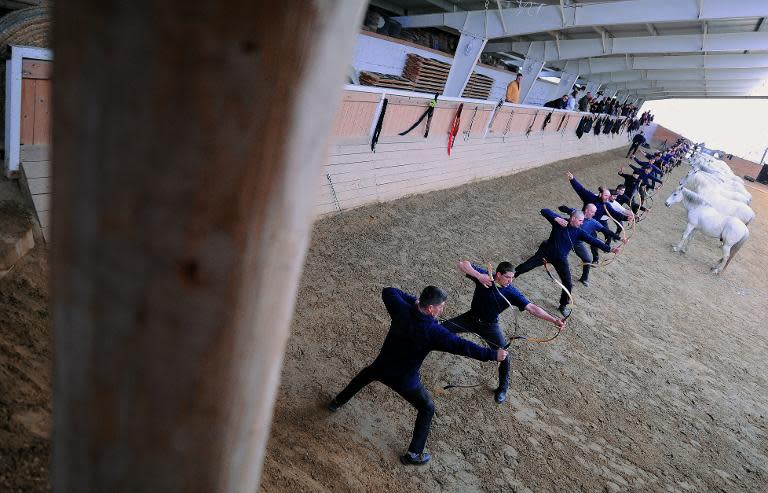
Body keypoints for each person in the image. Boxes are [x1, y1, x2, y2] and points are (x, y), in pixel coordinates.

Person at [328, 286, 507, 466]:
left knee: (364, 376)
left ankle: (336, 402)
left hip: (380, 367)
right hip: (405, 381)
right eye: (441, 307)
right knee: (427, 408)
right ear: (430, 309)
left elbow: (389, 291)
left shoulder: (401, 309)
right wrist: (493, 355)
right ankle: (414, 454)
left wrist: (413, 302)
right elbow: (462, 346)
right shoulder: (434, 332)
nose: (442, 310)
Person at [444, 261, 564, 404]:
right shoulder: (484, 276)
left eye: (512, 278)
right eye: (508, 277)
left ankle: (502, 387)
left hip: (490, 326)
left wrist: (554, 320)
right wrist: (478, 276)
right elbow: (462, 264)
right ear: (498, 274)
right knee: (440, 330)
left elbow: (532, 308)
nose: (510, 281)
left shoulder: (511, 292)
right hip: (470, 318)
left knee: (504, 356)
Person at [513, 209, 622, 317]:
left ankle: (563, 305)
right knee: (524, 267)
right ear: (573, 218)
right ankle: (507, 278)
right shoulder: (559, 222)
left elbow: (593, 240)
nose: (582, 223)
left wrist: (610, 249)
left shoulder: (579, 231)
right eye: (580, 220)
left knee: (568, 283)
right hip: (545, 254)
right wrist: (556, 218)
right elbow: (544, 210)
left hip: (561, 260)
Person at [557, 204, 623, 287]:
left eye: (594, 212)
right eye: (592, 212)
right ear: (586, 210)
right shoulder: (577, 214)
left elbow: (606, 231)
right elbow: (563, 209)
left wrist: (620, 239)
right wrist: (565, 210)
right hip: (565, 237)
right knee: (554, 248)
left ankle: (584, 278)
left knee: (587, 259)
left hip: (577, 243)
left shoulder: (594, 222)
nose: (594, 214)